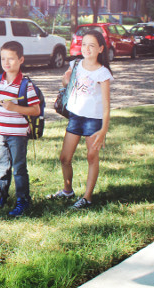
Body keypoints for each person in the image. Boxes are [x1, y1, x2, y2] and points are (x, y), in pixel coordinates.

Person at [47, 29, 113, 210]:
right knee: (65, 157)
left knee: (92, 157)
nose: (87, 48)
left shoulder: (103, 73)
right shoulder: (76, 64)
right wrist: (65, 79)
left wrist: (103, 130)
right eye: (84, 44)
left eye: (92, 45)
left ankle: (87, 197)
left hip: (93, 121)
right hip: (75, 117)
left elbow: (107, 105)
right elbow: (67, 85)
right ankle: (67, 190)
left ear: (100, 49)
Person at [0, 41, 41, 217]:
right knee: (3, 167)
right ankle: (0, 197)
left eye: (11, 59)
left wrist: (15, 108)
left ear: (21, 60)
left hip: (18, 134)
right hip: (1, 132)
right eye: (3, 59)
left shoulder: (25, 85)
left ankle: (23, 200)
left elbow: (35, 110)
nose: (7, 63)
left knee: (19, 168)